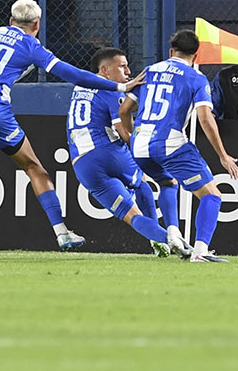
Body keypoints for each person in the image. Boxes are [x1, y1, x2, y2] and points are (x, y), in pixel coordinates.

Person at [0, 0, 144, 260]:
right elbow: (70, 73)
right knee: (34, 168)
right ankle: (62, 232)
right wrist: (119, 87)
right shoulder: (30, 45)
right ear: (37, 25)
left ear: (10, 20)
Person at [118, 29, 238, 262]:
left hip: (140, 145)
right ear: (196, 55)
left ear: (171, 51)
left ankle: (173, 232)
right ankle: (201, 251)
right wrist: (222, 155)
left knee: (167, 182)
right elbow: (205, 118)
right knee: (211, 195)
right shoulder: (196, 77)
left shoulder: (150, 71)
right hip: (170, 143)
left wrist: (134, 136)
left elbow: (124, 111)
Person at [67, 47, 183, 257]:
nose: (128, 71)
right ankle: (176, 239)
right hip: (108, 152)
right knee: (148, 183)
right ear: (104, 70)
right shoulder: (110, 89)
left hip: (82, 164)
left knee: (131, 215)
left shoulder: (80, 86)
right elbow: (122, 129)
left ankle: (160, 241)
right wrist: (142, 149)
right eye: (122, 66)